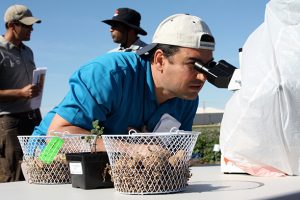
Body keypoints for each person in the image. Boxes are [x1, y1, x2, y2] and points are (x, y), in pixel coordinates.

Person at [32, 14, 215, 152]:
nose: (202, 77)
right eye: (194, 65)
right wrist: (132, 149)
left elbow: (176, 151)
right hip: (48, 154)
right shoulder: (109, 73)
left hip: (113, 167)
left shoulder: (187, 96)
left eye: (207, 67)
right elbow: (56, 136)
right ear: (159, 60)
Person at [0, 4, 42, 182]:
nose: (31, 29)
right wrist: (20, 93)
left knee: (40, 165)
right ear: (11, 25)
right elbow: (21, 91)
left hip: (33, 116)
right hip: (10, 122)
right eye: (26, 25)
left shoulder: (28, 52)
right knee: (15, 175)